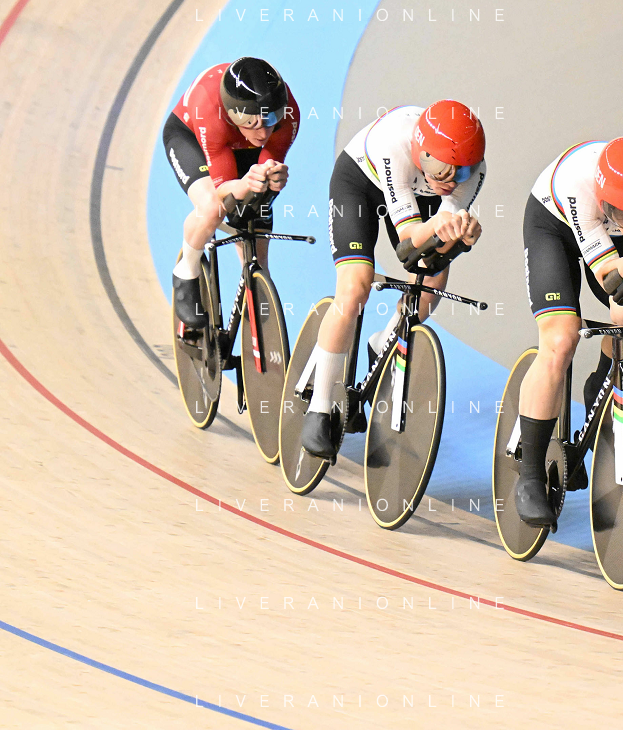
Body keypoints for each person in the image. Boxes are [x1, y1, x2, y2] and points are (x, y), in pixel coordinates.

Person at [515, 137, 623, 526]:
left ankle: (602, 377)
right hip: (555, 227)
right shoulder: (578, 186)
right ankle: (529, 478)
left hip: (611, 235)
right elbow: (609, 278)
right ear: (606, 200)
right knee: (561, 339)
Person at [300, 101, 486, 458]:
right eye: (442, 169)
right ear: (421, 153)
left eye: (461, 172)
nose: (451, 181)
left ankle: (382, 342)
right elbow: (406, 244)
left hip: (418, 194)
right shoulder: (395, 146)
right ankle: (319, 407)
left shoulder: (471, 173)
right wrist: (440, 226)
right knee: (355, 286)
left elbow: (432, 249)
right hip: (360, 184)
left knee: (431, 284)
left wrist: (461, 237)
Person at [163, 57, 299, 328]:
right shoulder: (209, 108)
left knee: (255, 211)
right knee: (212, 208)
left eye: (271, 119)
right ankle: (186, 270)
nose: (263, 131)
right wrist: (243, 186)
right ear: (233, 113)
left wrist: (271, 179)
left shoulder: (289, 113)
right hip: (193, 136)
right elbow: (222, 189)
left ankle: (255, 284)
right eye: (251, 121)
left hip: (237, 142)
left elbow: (268, 162)